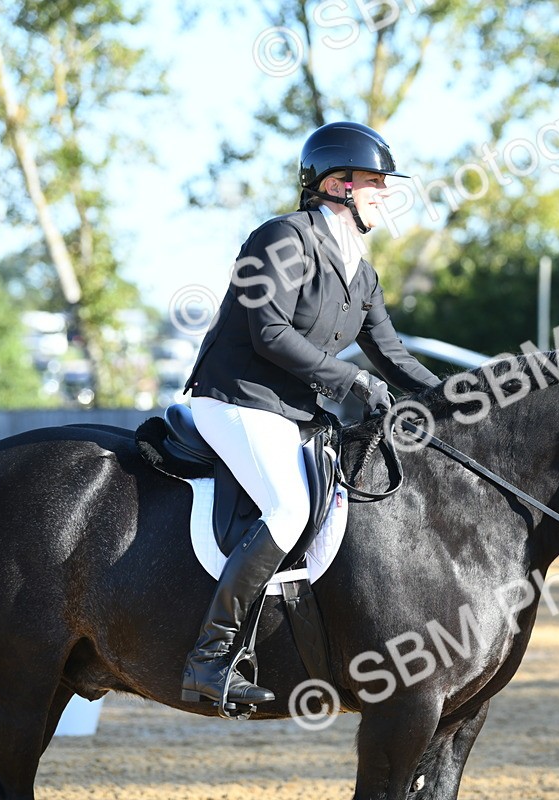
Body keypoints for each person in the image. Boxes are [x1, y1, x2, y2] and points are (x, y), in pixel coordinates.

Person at [180, 121, 440, 708]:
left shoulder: (361, 267)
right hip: (237, 399)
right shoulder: (283, 239)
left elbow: (391, 352)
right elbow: (268, 332)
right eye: (376, 183)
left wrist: (456, 398)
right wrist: (350, 379)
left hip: (293, 413)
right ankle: (210, 657)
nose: (386, 194)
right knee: (289, 505)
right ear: (337, 184)